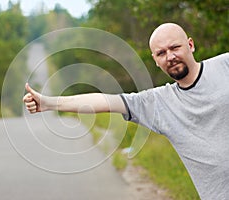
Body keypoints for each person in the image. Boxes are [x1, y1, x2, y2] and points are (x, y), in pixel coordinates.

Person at [23, 23, 229, 199]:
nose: (170, 57)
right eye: (161, 53)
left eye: (175, 47)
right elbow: (104, 101)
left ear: (190, 45)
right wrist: (48, 103)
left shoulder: (224, 66)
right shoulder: (158, 103)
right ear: (155, 61)